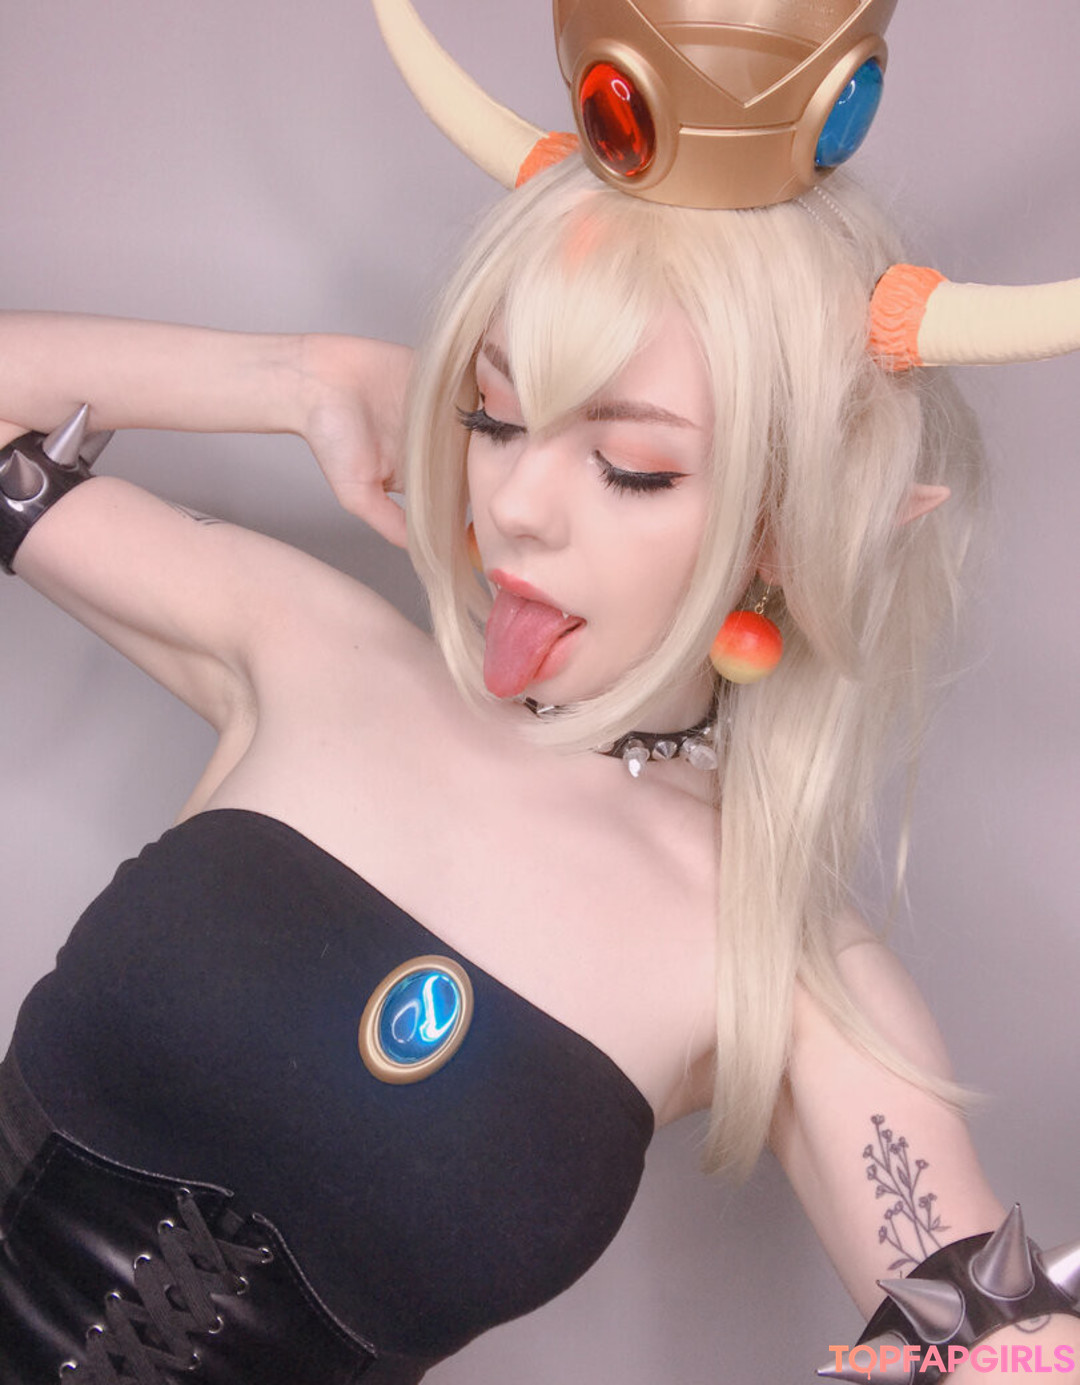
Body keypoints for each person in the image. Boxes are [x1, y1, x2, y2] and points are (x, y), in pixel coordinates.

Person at [1, 3, 1079, 1383]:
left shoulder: (774, 963)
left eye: (630, 467)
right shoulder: (309, 647)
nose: (514, 505)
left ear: (791, 526)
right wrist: (296, 374)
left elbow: (994, 1347)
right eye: (493, 415)